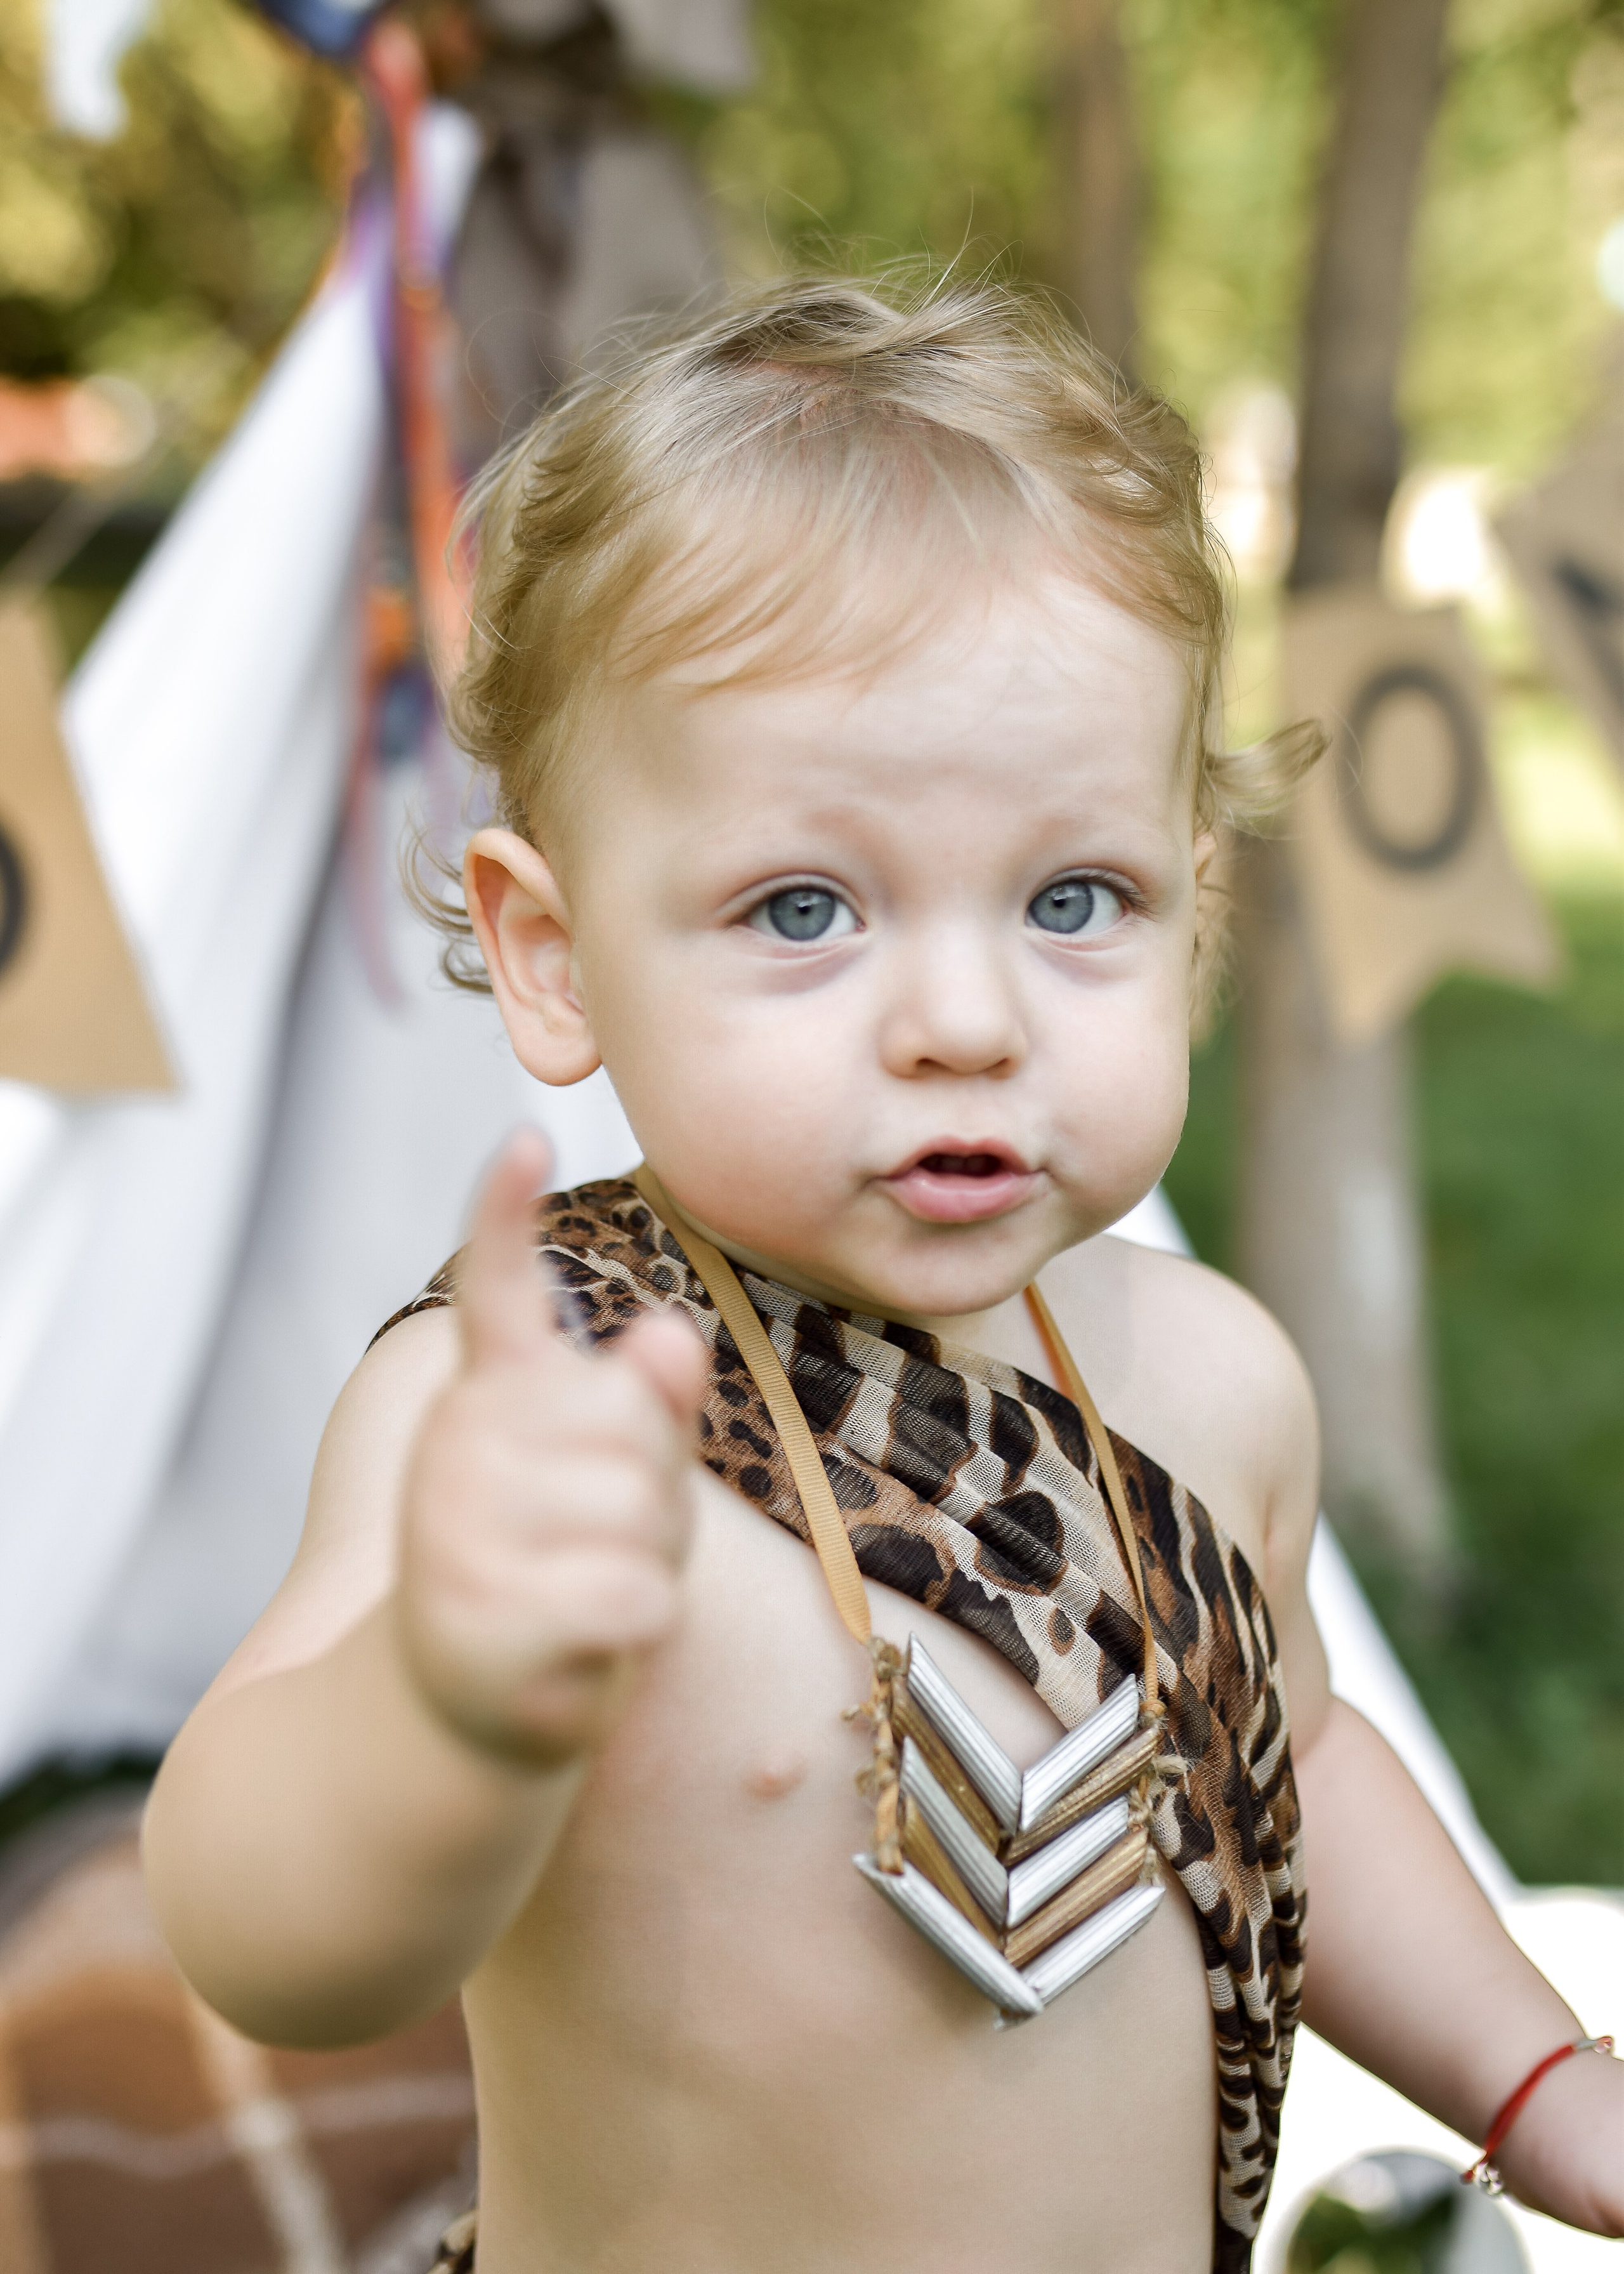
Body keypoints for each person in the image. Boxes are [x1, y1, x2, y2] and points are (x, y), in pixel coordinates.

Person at [142, 274, 1623, 2274]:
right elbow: (255, 1929)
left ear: (1195, 915)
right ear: (552, 957)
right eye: (808, 907)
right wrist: (447, 1705)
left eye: (1072, 897)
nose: (961, 1018)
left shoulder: (1210, 1379)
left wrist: (1534, 2079)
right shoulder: (542, 1423)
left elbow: (1304, 1777)